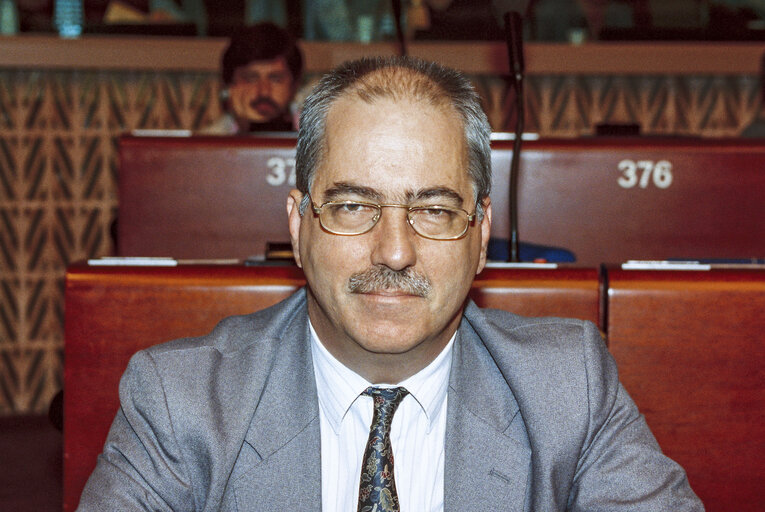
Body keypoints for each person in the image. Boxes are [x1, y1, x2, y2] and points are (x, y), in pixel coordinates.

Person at [79, 56, 703, 511]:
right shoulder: (179, 401)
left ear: (482, 233)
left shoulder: (570, 390)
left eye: (434, 210)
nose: (396, 252)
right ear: (298, 225)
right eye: (353, 206)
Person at [202, 22, 302, 134]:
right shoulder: (207, 144)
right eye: (251, 79)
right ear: (229, 85)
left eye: (275, 79)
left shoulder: (320, 138)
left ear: (294, 86)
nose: (264, 92)